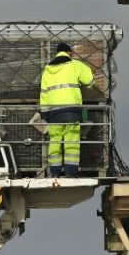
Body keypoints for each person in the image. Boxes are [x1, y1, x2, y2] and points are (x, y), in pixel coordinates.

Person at [39, 42, 95, 178]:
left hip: (53, 113)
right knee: (71, 142)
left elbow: (44, 93)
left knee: (55, 141)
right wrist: (91, 84)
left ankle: (55, 172)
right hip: (71, 111)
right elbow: (89, 80)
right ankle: (71, 172)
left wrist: (45, 113)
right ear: (69, 52)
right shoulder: (74, 65)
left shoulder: (47, 70)